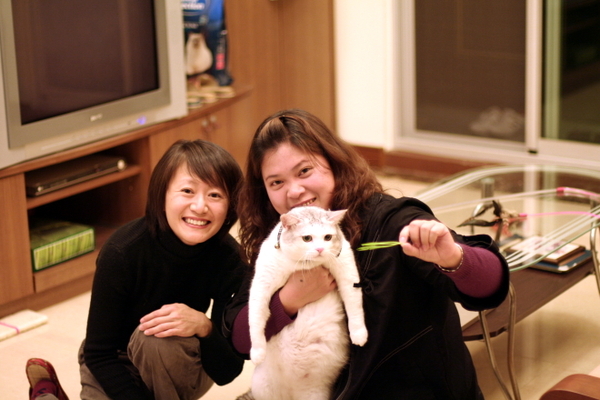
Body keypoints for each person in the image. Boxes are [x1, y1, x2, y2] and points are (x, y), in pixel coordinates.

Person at [223, 109, 510, 399]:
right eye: (276, 182)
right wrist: (289, 300)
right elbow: (240, 340)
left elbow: (492, 287)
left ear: (334, 163)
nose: (294, 191)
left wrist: (453, 258)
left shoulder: (392, 221)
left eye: (304, 171)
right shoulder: (280, 238)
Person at [75, 139, 247, 400]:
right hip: (114, 361)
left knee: (156, 339)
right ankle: (46, 394)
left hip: (178, 357)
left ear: (231, 205)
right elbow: (98, 354)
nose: (200, 206)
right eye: (187, 191)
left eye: (215, 195)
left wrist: (205, 326)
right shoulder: (122, 251)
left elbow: (228, 371)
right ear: (162, 195)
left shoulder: (231, 259)